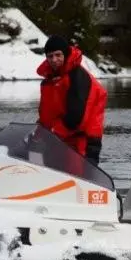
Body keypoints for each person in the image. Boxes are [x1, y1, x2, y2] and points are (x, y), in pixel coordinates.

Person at [37, 34, 107, 164]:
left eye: (58, 55)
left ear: (65, 54)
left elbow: (76, 116)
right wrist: (38, 133)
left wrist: (52, 132)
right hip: (60, 141)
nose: (54, 59)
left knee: (81, 179)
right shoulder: (49, 82)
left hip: (83, 142)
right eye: (50, 56)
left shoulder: (78, 77)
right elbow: (46, 114)